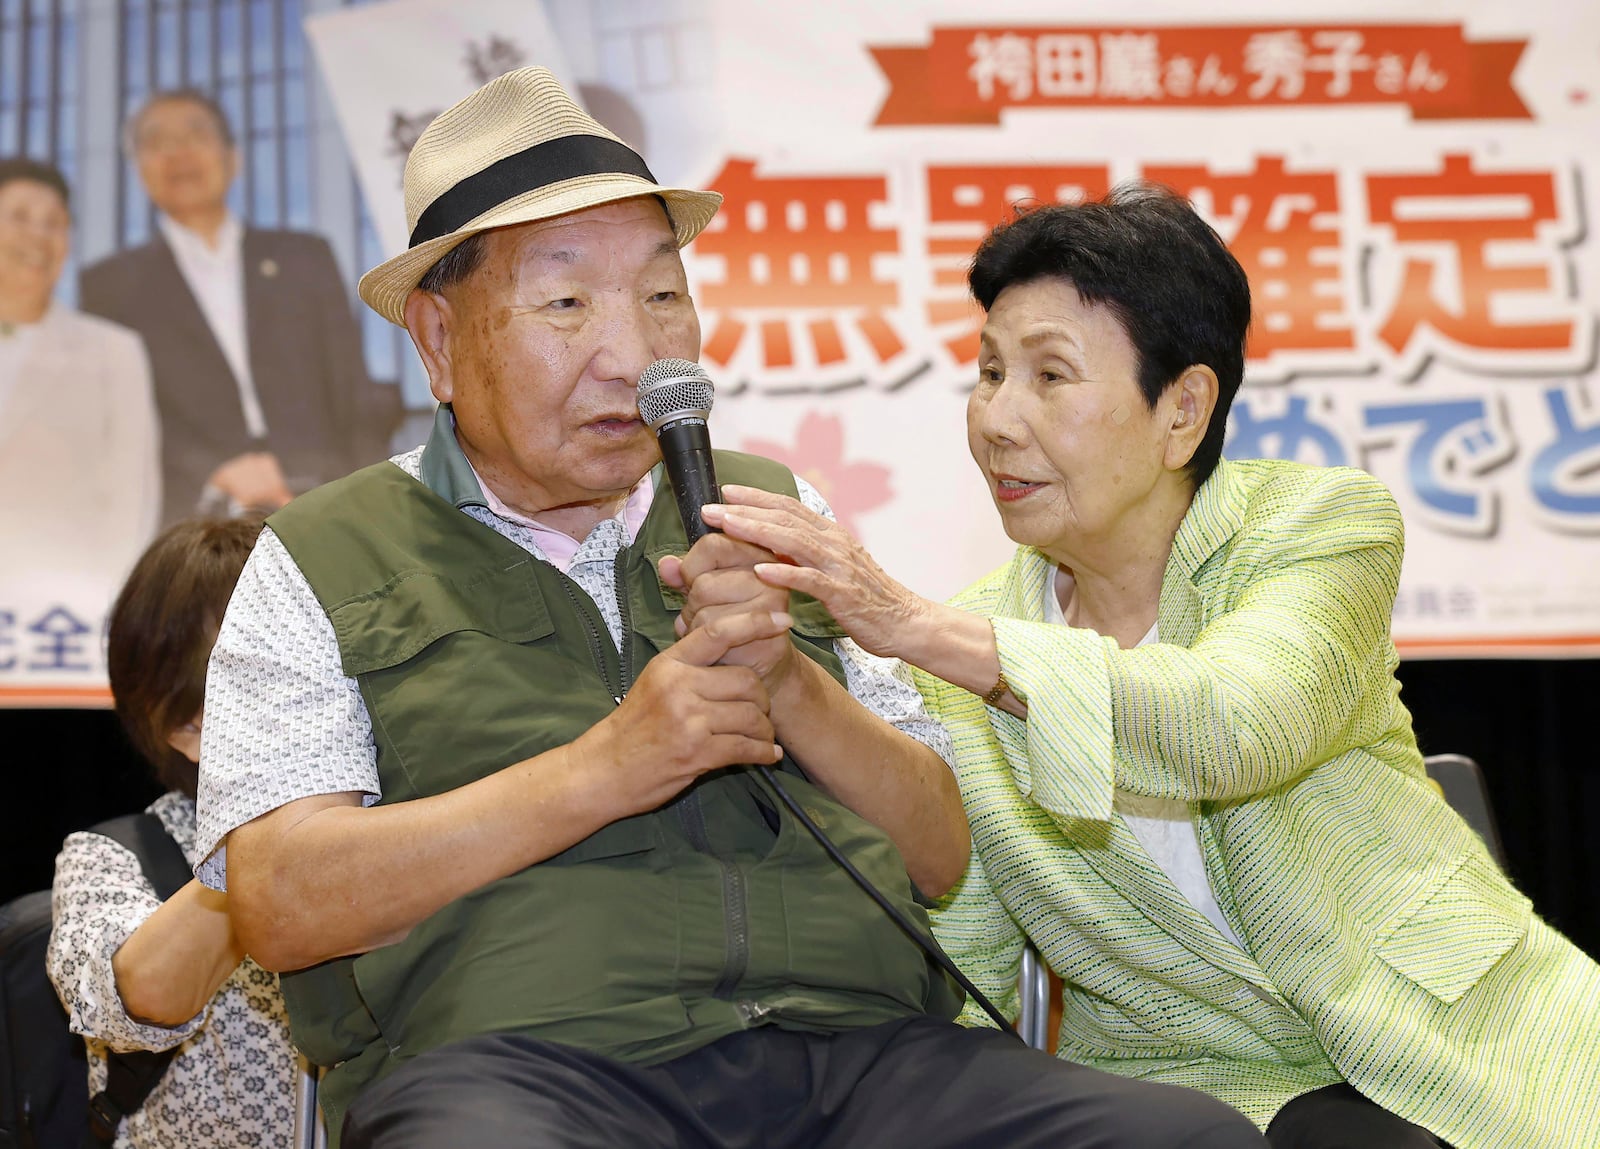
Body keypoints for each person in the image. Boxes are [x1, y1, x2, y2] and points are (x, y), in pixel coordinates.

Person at [193, 68, 1264, 1149]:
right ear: (435, 339)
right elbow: (279, 901)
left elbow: (939, 850)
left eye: (662, 296)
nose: (634, 351)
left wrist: (790, 684)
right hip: (528, 1076)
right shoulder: (320, 554)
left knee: (1190, 1141)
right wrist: (606, 767)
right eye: (566, 303)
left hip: (860, 1058)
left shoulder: (772, 508)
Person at [693, 185, 1600, 1149]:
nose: (998, 419)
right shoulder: (962, 643)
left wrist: (904, 621)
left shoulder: (1318, 527)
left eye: (1050, 377)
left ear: (1183, 412)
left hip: (1454, 1032)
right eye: (990, 371)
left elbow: (1239, 726)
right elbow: (970, 959)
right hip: (1190, 1090)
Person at [47, 514, 297, 1148]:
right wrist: (276, 834)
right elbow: (144, 996)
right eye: (262, 670)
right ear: (185, 725)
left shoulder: (402, 817)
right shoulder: (111, 858)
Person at [79, 89, 399, 529]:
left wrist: (371, 500)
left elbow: (350, 391)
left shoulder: (306, 257)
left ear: (234, 158)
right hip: (193, 516)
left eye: (196, 134)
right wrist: (216, 470)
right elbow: (118, 419)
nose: (178, 153)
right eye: (156, 142)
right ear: (139, 171)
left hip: (326, 496)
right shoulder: (107, 286)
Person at [0, 157, 160, 614]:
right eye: (20, 217)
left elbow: (132, 499)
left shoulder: (114, 351)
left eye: (55, 224)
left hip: (59, 619)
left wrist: (104, 610)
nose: (39, 236)